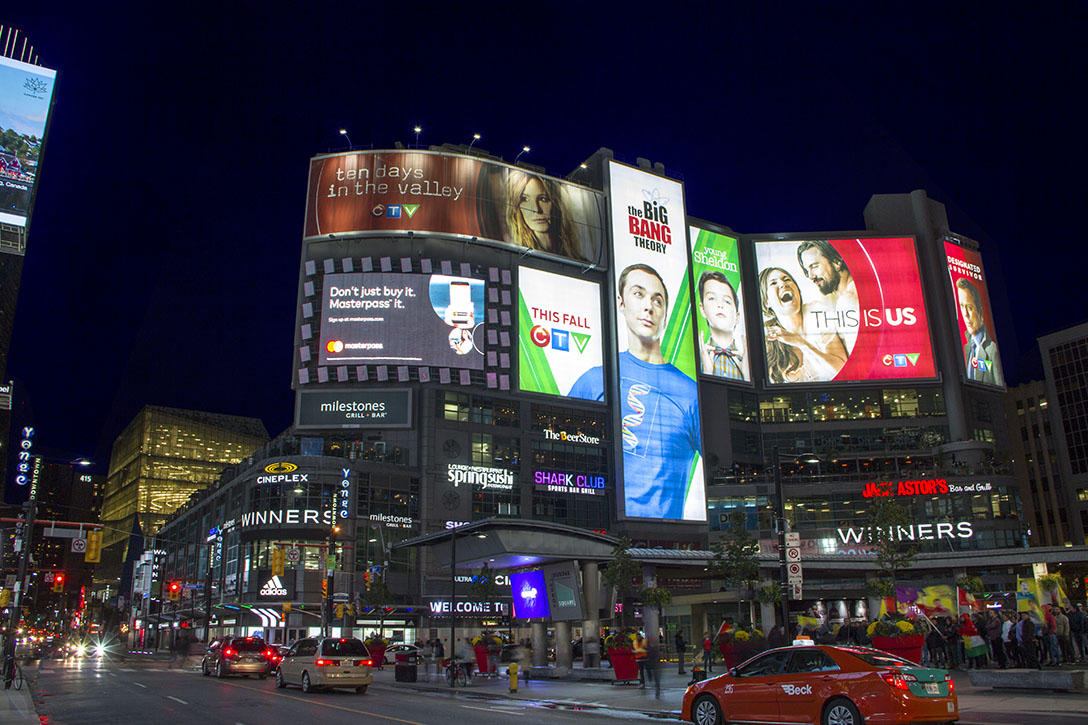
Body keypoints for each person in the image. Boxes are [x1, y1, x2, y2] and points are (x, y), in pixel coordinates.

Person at [569, 264, 701, 519]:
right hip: (593, 533)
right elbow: (558, 452)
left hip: (666, 542)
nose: (648, 307)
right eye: (638, 294)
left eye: (657, 300)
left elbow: (720, 466)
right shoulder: (593, 380)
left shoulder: (690, 393)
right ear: (621, 302)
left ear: (665, 313)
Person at [759, 267, 848, 383]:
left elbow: (841, 370)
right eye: (773, 283)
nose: (783, 284)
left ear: (798, 291)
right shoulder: (766, 337)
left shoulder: (817, 315)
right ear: (766, 301)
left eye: (787, 279)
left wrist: (802, 343)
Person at [504, 170, 585, 261]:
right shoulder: (514, 255)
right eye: (525, 199)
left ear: (556, 204)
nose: (536, 209)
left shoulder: (579, 261)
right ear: (517, 207)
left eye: (543, 199)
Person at [796, 240, 859, 354]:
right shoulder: (855, 291)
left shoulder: (847, 300)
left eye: (814, 266)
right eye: (807, 270)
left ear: (836, 262)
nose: (811, 276)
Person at [696, 270, 747, 380]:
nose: (720, 305)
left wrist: (747, 378)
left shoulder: (747, 362)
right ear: (702, 309)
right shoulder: (695, 359)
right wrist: (706, 373)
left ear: (737, 317)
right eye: (712, 298)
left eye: (727, 301)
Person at [955, 277, 1003, 385]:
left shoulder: (992, 351)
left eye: (970, 308)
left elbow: (998, 390)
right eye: (962, 306)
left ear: (980, 312)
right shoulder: (965, 348)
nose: (965, 314)